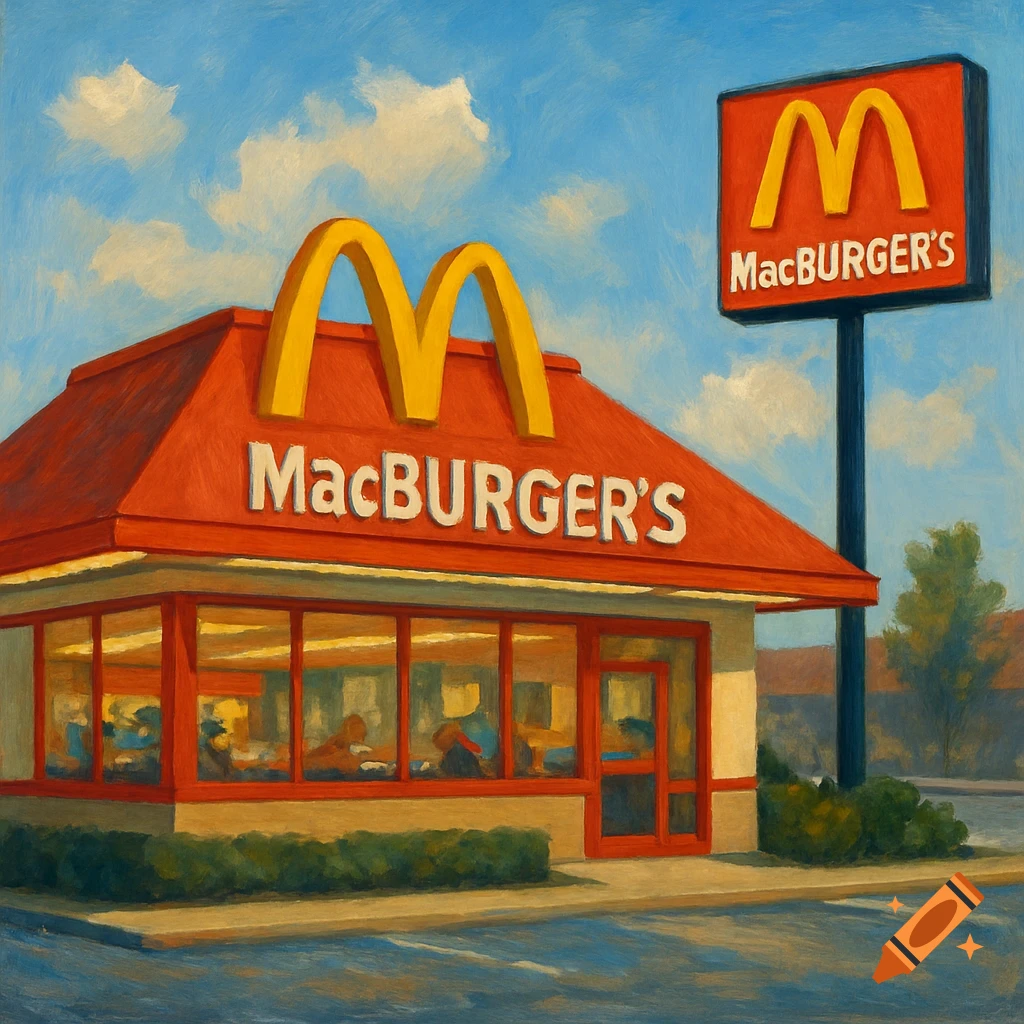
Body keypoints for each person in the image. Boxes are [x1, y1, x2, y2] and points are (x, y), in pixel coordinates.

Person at [305, 714, 375, 778]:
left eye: (360, 737)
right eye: (356, 735)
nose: (359, 741)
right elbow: (310, 761)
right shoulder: (333, 746)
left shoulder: (357, 750)